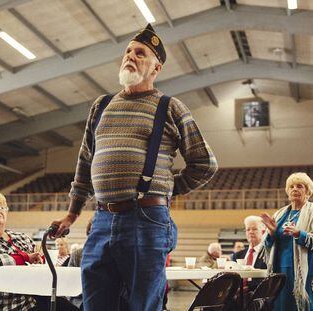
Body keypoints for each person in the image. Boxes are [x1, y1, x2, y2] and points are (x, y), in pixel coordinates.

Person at [51, 23, 218, 311]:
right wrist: (71, 213)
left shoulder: (170, 107)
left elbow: (205, 163)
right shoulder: (101, 106)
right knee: (94, 303)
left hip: (147, 219)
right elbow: (84, 161)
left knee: (143, 305)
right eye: (128, 51)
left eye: (140, 53)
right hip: (101, 220)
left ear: (156, 68)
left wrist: (165, 188)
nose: (130, 56)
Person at [0, 190, 76, 311]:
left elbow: (39, 256)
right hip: (7, 304)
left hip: (35, 298)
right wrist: (25, 258)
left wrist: (39, 258)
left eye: (1, 207)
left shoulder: (20, 237)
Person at [261, 172, 313, 311]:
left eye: (299, 186)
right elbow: (268, 244)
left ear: (307, 191)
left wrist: (299, 233)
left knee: (305, 304)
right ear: (288, 192)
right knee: (283, 304)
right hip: (280, 267)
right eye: (291, 186)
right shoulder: (280, 213)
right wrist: (271, 233)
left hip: (306, 268)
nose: (294, 189)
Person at [232, 215, 267, 291]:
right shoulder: (237, 255)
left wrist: (248, 288)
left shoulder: (268, 254)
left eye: (254, 229)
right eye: (248, 229)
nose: (251, 232)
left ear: (263, 232)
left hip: (258, 296)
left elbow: (267, 280)